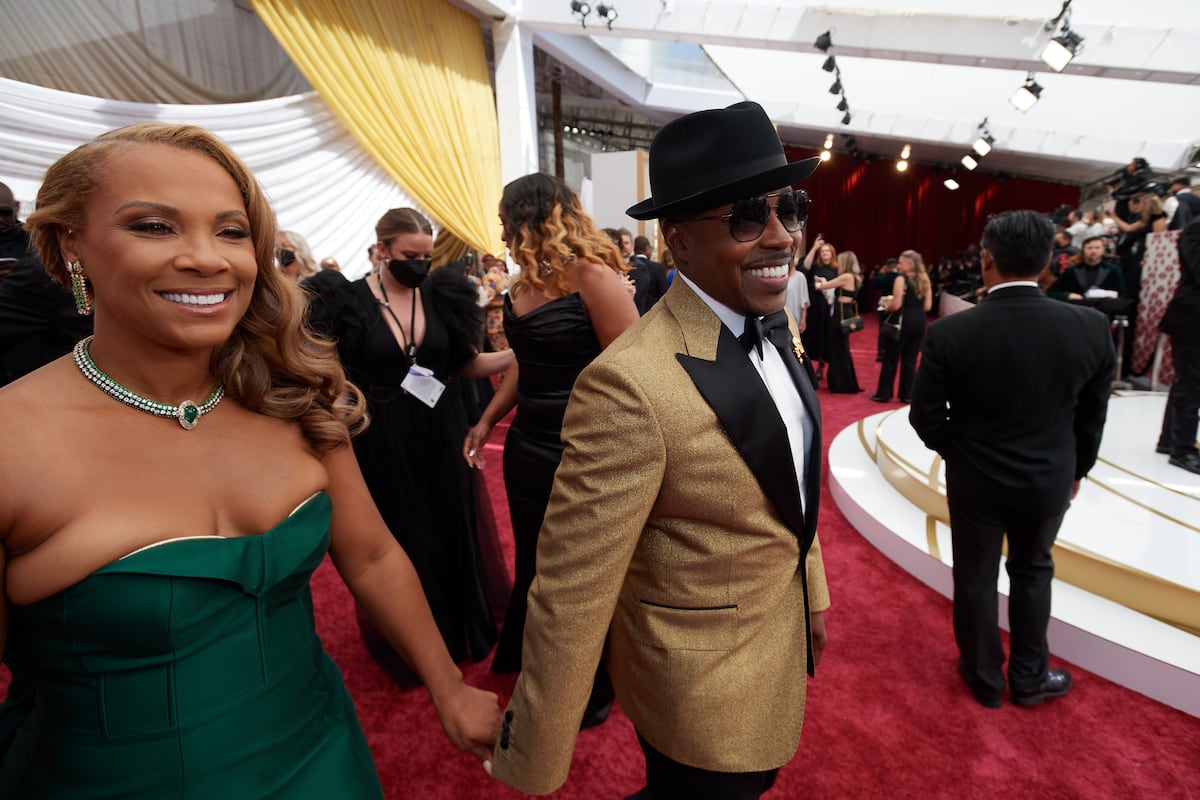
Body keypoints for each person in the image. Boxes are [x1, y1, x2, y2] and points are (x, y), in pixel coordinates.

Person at [0, 122, 500, 797]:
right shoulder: (13, 441)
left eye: (232, 232)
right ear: (70, 244)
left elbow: (373, 553)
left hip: (324, 756)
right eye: (154, 226)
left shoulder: (293, 396)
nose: (208, 259)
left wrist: (449, 686)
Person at [487, 101, 830, 799]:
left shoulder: (777, 324)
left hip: (776, 643)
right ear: (678, 237)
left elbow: (789, 478)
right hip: (696, 686)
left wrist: (812, 594)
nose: (780, 235)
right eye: (745, 216)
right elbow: (570, 589)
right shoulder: (628, 386)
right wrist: (533, 755)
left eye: (789, 208)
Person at [909, 210, 1114, 710]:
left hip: (975, 480)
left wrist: (959, 453)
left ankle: (984, 677)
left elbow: (925, 417)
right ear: (1048, 261)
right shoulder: (1091, 327)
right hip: (1049, 479)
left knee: (975, 576)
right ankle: (1029, 675)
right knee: (1033, 569)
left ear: (986, 259)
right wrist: (1076, 470)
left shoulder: (951, 333)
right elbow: (1092, 418)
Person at [308, 207, 514, 683]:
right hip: (379, 439)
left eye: (425, 255)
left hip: (442, 430)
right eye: (409, 256)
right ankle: (416, 645)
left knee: (449, 528)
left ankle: (458, 633)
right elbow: (328, 373)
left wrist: (522, 350)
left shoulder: (440, 296)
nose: (419, 265)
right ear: (382, 250)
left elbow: (466, 363)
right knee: (400, 539)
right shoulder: (346, 301)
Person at [462, 174, 638, 682]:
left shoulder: (592, 276)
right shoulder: (521, 284)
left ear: (529, 219)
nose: (500, 235)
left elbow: (634, 372)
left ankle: (585, 680)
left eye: (503, 222)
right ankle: (537, 661)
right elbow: (527, 363)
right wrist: (487, 419)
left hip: (585, 449)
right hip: (527, 449)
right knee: (535, 562)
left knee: (580, 573)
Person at [1157, 216, 1200, 474]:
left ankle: (1168, 441)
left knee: (1187, 382)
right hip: (1192, 317)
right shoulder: (1196, 229)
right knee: (1190, 384)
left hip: (1191, 317)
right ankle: (1182, 450)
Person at [872, 249, 932, 403]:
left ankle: (884, 394)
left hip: (903, 321)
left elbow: (896, 304)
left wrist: (886, 306)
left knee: (891, 358)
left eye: (901, 262)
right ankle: (907, 395)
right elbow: (927, 306)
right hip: (919, 321)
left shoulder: (901, 279)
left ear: (910, 264)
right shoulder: (925, 279)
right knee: (910, 360)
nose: (898, 266)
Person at [814, 249, 863, 393]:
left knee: (838, 348)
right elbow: (829, 284)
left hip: (840, 313)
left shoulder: (846, 276)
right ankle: (844, 381)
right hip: (846, 311)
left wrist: (818, 281)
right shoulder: (854, 277)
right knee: (841, 348)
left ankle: (841, 383)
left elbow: (823, 287)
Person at [800, 235, 838, 381]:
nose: (825, 253)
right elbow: (804, 268)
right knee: (809, 336)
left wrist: (824, 283)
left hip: (827, 309)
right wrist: (815, 247)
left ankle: (821, 367)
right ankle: (806, 366)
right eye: (822, 251)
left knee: (824, 338)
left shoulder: (836, 269)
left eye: (827, 251)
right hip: (813, 307)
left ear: (832, 253)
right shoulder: (815, 266)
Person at [1046, 235, 1126, 302]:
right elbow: (1052, 292)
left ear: (1103, 250)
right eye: (1089, 248)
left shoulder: (1113, 270)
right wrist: (1068, 295)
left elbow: (1122, 296)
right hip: (1077, 312)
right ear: (1083, 250)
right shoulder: (1071, 271)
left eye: (1097, 248)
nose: (1093, 251)